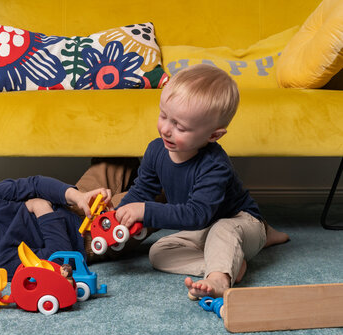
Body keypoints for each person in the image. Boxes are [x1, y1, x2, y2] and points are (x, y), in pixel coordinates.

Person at [115, 64, 289, 299]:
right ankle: (230, 264)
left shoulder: (214, 164)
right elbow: (142, 189)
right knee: (158, 252)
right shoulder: (156, 150)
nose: (166, 129)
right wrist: (118, 215)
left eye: (180, 127)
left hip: (237, 221)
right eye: (164, 116)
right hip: (203, 230)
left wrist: (145, 211)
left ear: (213, 135)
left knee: (223, 229)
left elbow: (196, 214)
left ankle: (220, 277)